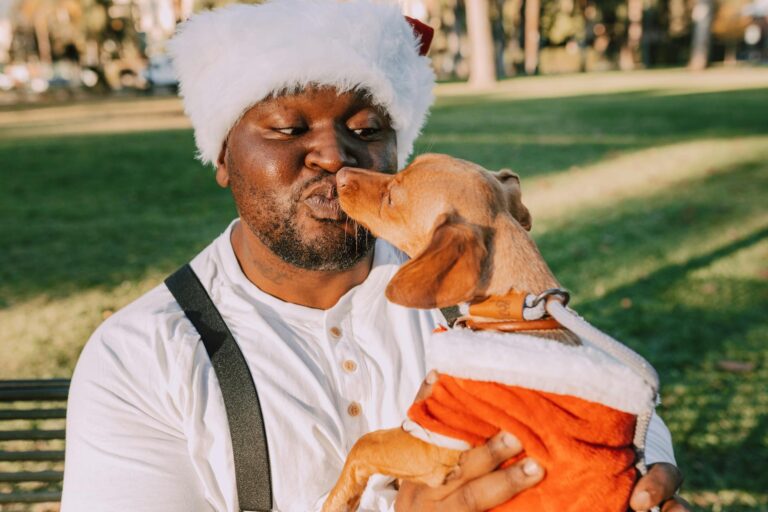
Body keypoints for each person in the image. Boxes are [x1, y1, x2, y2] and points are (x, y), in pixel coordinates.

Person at [61, 0, 691, 510]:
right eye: (289, 128)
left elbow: (585, 384)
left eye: (366, 130)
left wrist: (641, 471)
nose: (335, 156)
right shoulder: (142, 358)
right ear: (223, 155)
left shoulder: (463, 279)